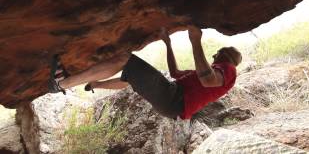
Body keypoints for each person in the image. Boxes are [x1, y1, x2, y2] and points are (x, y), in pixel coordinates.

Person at [49, 26, 242, 119]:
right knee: (133, 78)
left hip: (175, 100)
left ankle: (61, 83)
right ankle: (97, 84)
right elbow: (175, 73)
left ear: (226, 54)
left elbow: (208, 79)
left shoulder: (228, 69)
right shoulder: (209, 73)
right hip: (173, 101)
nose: (215, 54)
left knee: (125, 59)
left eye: (219, 52)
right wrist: (168, 43)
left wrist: (195, 41)